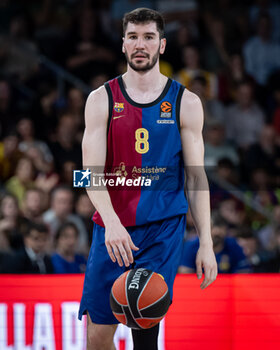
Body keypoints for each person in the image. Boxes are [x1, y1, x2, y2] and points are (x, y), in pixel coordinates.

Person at [79, 8, 217, 350]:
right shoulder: (100, 100)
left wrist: (206, 243)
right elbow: (87, 174)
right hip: (112, 225)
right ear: (123, 44)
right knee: (97, 337)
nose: (140, 44)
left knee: (144, 322)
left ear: (163, 45)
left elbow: (197, 178)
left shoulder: (186, 102)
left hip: (163, 227)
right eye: (133, 37)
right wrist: (110, 222)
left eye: (149, 37)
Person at [178, 216, 251, 274]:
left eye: (221, 227)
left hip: (227, 288)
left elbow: (244, 271)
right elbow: (185, 273)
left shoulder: (233, 245)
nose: (217, 231)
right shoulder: (192, 246)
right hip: (199, 288)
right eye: (212, 228)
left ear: (226, 230)